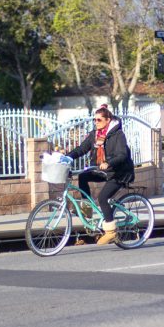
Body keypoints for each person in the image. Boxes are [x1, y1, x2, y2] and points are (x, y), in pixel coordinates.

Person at [67, 104, 135, 245]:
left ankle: (111, 231)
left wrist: (109, 163)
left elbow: (122, 155)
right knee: (83, 176)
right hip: (104, 171)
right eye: (94, 120)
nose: (95, 122)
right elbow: (82, 149)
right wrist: (68, 157)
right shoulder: (95, 135)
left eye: (99, 120)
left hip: (119, 172)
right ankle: (87, 210)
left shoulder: (118, 135)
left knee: (102, 198)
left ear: (108, 120)